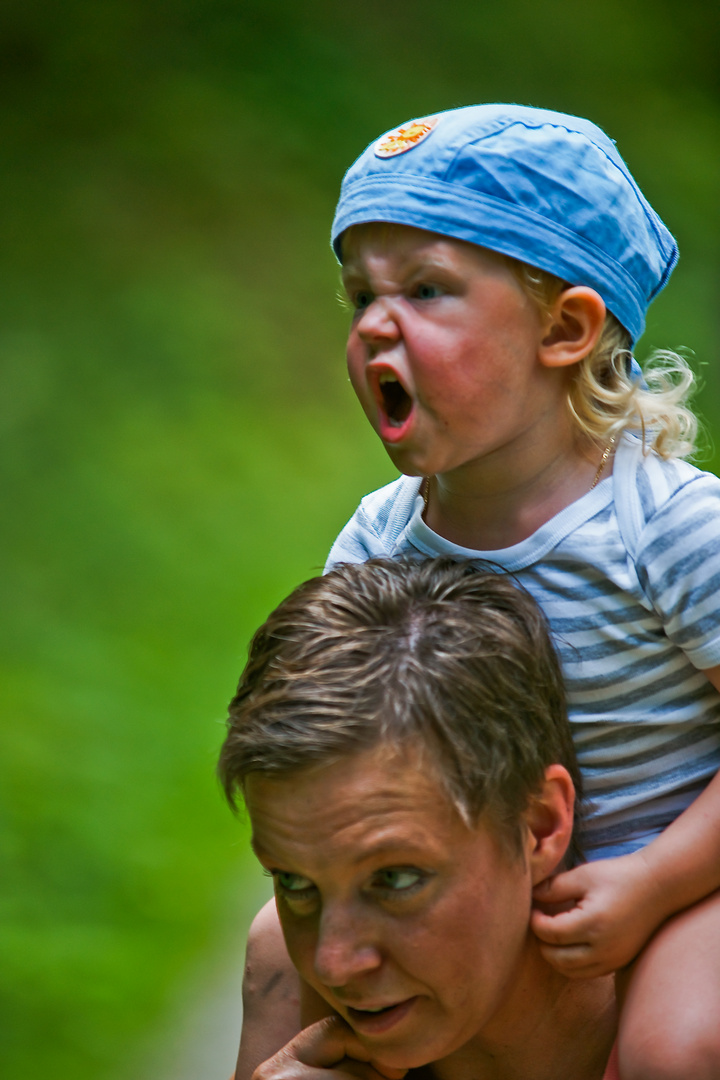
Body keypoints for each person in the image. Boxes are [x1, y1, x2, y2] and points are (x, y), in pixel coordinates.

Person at [238, 104, 720, 1080]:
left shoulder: (666, 527)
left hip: (683, 874)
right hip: (499, 879)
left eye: (425, 290)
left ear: (566, 328)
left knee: (679, 1044)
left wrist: (657, 878)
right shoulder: (382, 537)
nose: (376, 323)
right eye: (359, 295)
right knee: (265, 959)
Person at [219, 557, 619, 1080]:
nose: (331, 964)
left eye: (395, 879)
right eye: (295, 882)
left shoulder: (686, 1023)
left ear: (540, 826)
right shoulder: (284, 975)